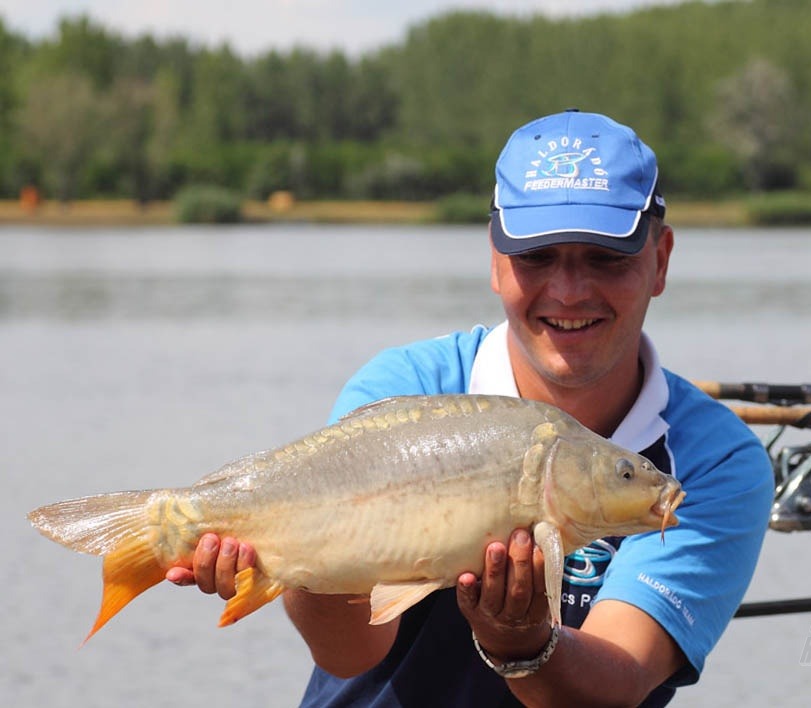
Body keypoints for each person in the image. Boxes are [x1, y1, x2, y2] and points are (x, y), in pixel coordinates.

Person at [166, 109, 774, 707]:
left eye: (605, 257)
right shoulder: (408, 388)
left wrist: (520, 640)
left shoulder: (707, 464)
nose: (568, 291)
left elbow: (616, 686)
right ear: (495, 258)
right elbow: (349, 653)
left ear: (660, 260)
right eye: (536, 257)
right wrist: (290, 560)